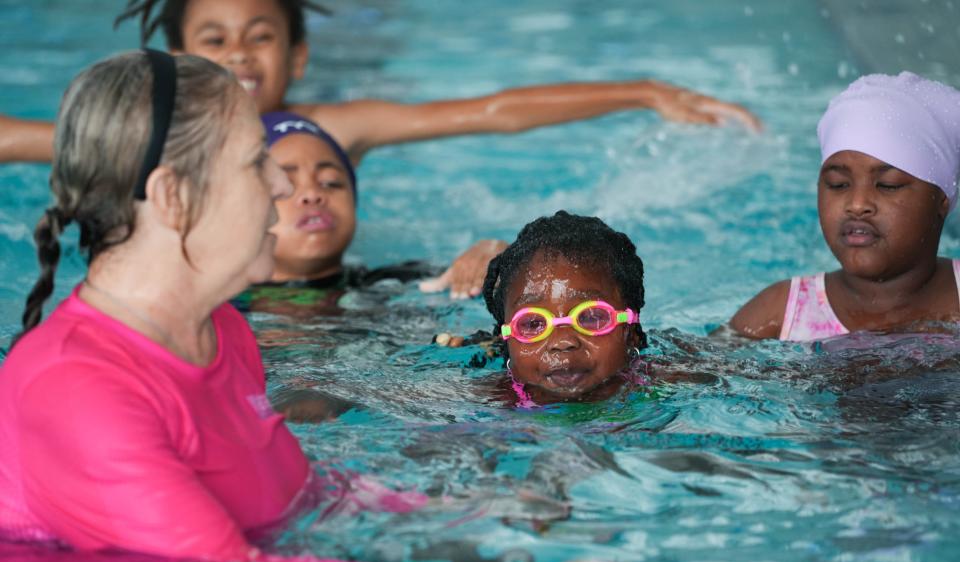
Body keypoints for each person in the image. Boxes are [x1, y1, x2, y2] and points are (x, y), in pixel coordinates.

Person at [0, 49, 447, 562]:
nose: (282, 186)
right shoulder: (77, 385)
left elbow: (300, 492)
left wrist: (460, 518)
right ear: (173, 196)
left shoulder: (220, 329)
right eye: (256, 158)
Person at [0, 0, 761, 166]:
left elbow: (489, 113)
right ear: (174, 56)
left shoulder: (335, 124)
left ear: (297, 56)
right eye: (215, 39)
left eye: (261, 36)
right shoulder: (154, 138)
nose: (240, 55)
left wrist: (642, 90)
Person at [729, 72, 960, 341]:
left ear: (941, 200)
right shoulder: (779, 315)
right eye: (838, 184)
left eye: (888, 185)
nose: (857, 204)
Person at [234, 111, 506, 316]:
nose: (313, 194)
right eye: (288, 184)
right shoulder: (222, 307)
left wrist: (497, 259)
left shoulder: (399, 283)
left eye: (331, 182)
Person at [479, 210, 649, 406]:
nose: (563, 341)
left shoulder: (669, 381)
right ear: (506, 340)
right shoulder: (489, 401)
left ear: (632, 332)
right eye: (533, 323)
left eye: (591, 317)